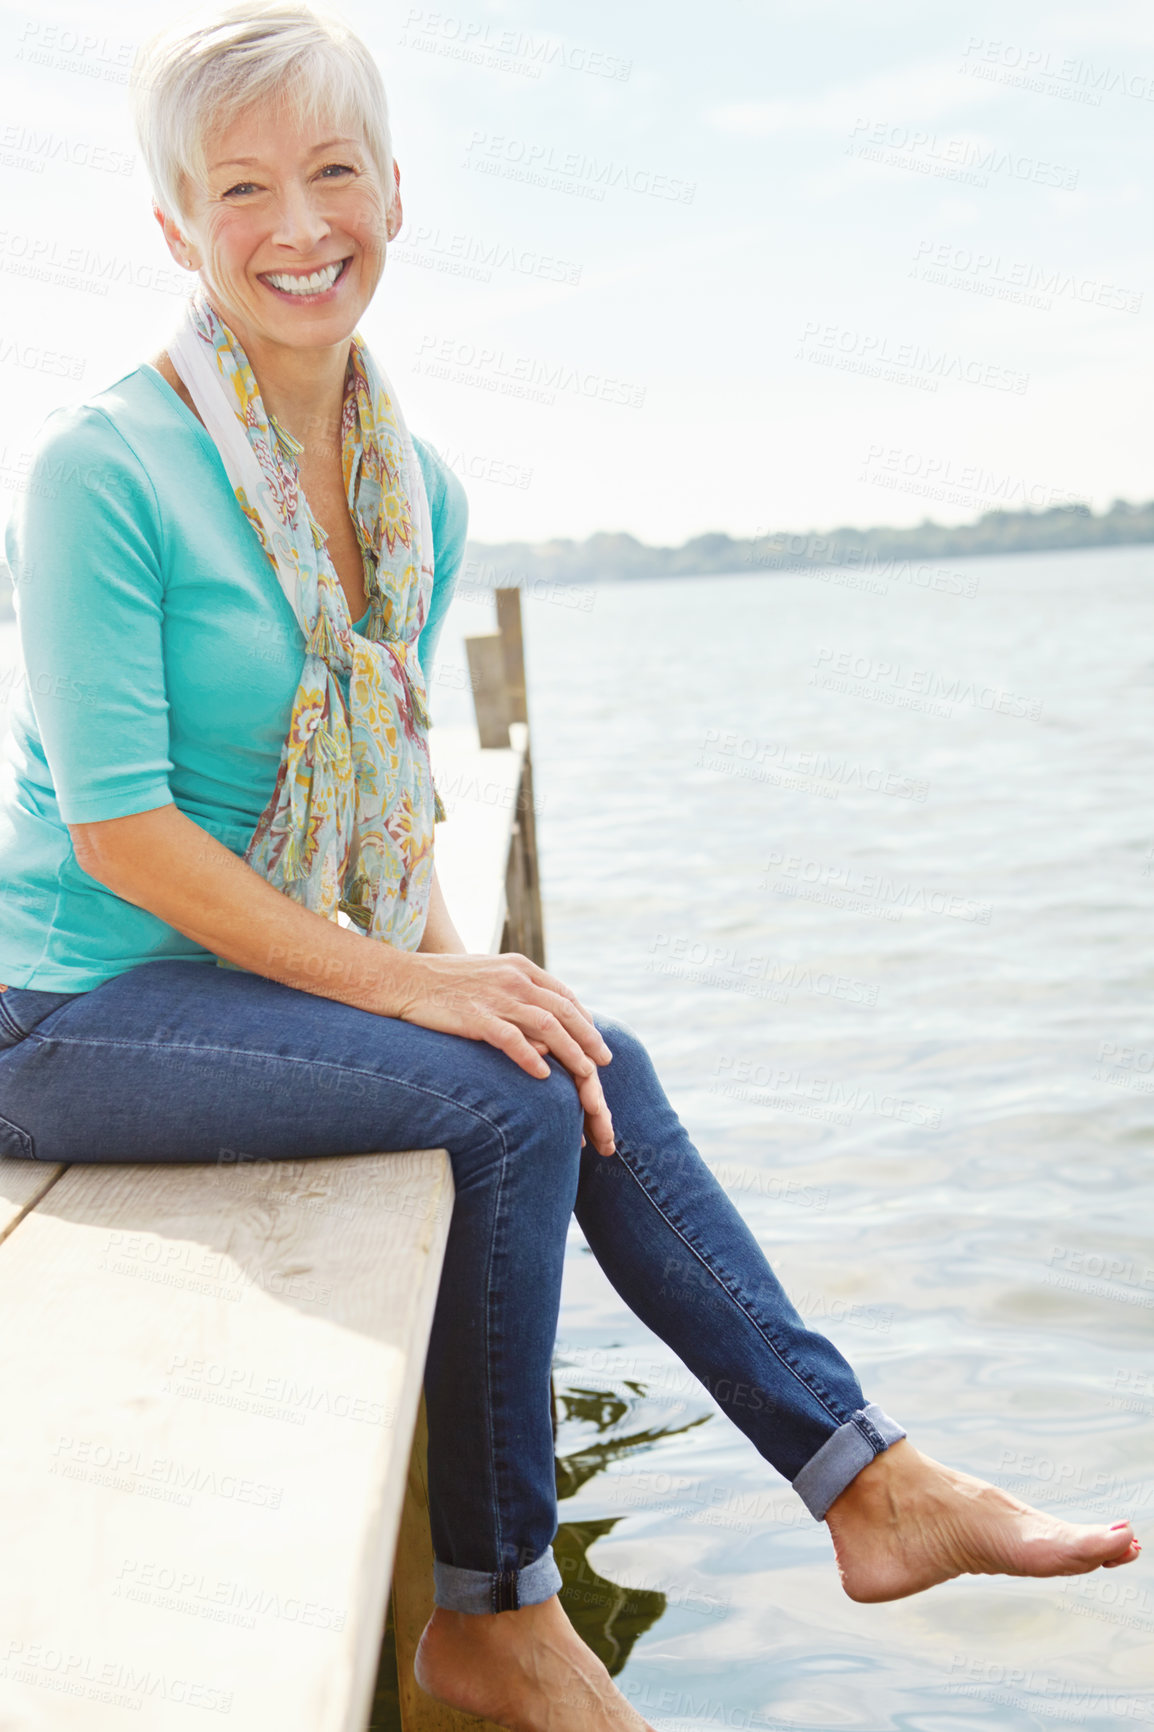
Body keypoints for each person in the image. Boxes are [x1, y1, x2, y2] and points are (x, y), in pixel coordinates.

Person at [0, 4, 1138, 1727]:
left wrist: (478, 979)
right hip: (65, 1003)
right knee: (503, 1096)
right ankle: (498, 1620)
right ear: (175, 226)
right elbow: (125, 833)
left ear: (396, 190)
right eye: (242, 188)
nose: (299, 226)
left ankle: (865, 1482)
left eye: (332, 170)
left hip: (245, 979)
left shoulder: (410, 489)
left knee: (572, 1053)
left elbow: (380, 801)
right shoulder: (104, 469)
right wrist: (419, 995)